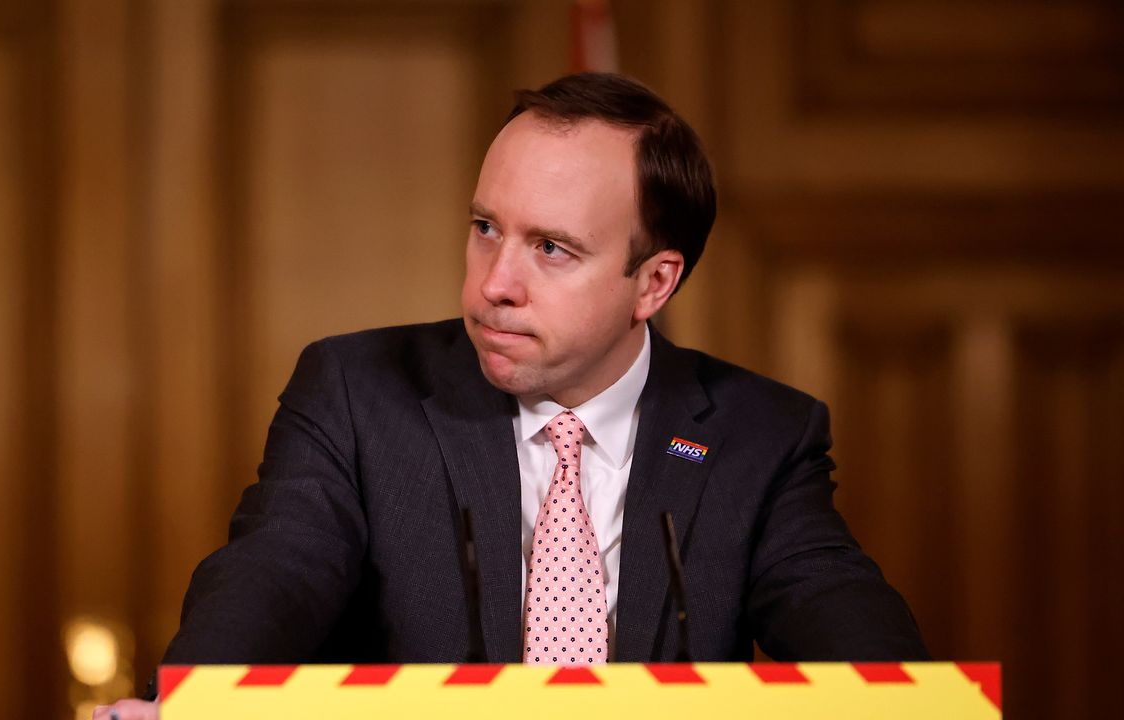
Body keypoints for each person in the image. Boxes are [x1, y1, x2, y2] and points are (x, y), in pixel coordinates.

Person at [93, 72, 926, 720]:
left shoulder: (759, 435)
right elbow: (273, 574)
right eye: (486, 227)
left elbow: (841, 621)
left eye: (552, 249)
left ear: (654, 282)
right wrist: (195, 701)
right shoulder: (358, 394)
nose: (495, 284)